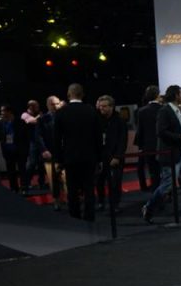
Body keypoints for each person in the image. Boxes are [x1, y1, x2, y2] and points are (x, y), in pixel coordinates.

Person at [142, 85, 181, 223]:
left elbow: (179, 130)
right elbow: (161, 131)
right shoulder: (165, 111)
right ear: (176, 95)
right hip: (171, 154)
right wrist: (180, 137)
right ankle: (148, 208)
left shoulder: (177, 111)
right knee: (167, 185)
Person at [54, 84, 101, 221]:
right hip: (89, 157)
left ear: (68, 95)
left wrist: (58, 160)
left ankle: (75, 217)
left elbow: (57, 139)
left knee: (72, 190)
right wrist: (99, 158)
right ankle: (89, 217)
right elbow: (98, 137)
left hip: (70, 157)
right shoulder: (91, 110)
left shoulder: (61, 112)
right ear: (82, 94)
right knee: (89, 189)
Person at [95, 95, 128, 211]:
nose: (101, 108)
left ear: (111, 107)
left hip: (115, 157)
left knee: (115, 183)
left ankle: (115, 205)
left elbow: (122, 141)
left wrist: (117, 157)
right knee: (99, 181)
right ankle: (101, 202)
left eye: (104, 106)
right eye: (100, 106)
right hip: (100, 157)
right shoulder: (97, 120)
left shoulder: (120, 121)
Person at [135, 86, 162, 191]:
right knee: (164, 170)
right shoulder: (163, 109)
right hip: (163, 145)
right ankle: (165, 192)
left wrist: (140, 146)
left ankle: (155, 190)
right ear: (158, 95)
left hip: (148, 146)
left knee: (153, 171)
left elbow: (140, 131)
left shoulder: (141, 111)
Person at [37, 96, 63, 208]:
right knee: (53, 179)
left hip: (65, 152)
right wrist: (44, 150)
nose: (55, 106)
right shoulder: (42, 119)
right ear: (47, 105)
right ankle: (56, 200)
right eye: (52, 104)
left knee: (68, 177)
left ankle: (72, 199)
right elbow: (38, 137)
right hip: (50, 153)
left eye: (57, 103)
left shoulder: (65, 116)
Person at [0, 105, 27, 192]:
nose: (1, 113)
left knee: (22, 170)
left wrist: (26, 149)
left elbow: (26, 136)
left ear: (9, 112)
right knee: (10, 171)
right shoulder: (0, 123)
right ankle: (14, 188)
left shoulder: (20, 122)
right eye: (1, 111)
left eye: (3, 111)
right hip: (7, 150)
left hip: (19, 150)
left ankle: (24, 187)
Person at [21, 100, 42, 190]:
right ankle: (26, 182)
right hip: (30, 142)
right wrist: (39, 116)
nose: (38, 108)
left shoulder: (38, 114)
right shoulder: (24, 114)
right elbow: (32, 121)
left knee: (41, 163)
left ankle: (41, 182)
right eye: (36, 106)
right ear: (31, 107)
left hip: (39, 141)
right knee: (32, 163)